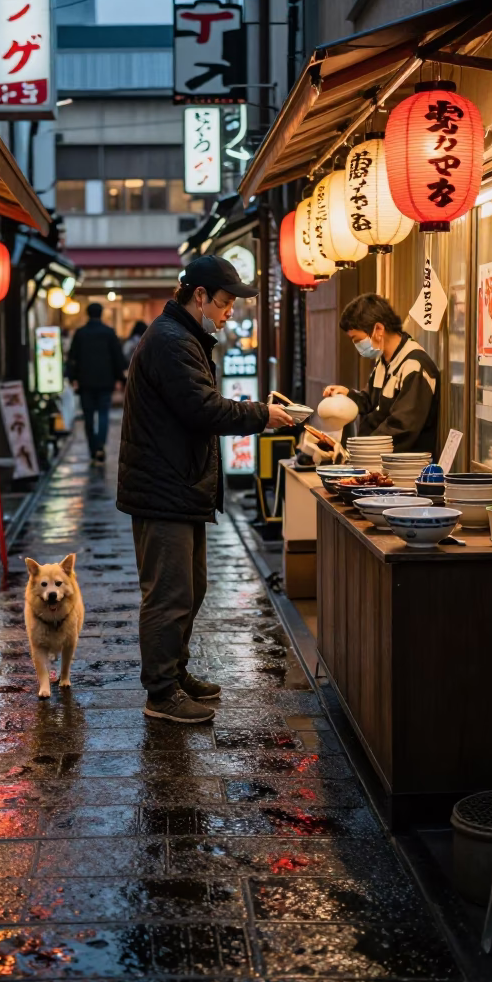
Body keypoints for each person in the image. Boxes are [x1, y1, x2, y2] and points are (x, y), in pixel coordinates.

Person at [117, 256, 294, 724]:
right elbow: (203, 409)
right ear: (199, 295)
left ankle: (175, 673)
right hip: (164, 488)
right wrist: (261, 415)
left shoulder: (183, 336)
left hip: (179, 485)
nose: (229, 311)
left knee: (190, 589)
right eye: (225, 301)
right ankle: (161, 693)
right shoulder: (172, 341)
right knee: (169, 594)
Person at [324, 292, 440, 454]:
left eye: (357, 340)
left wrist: (360, 449)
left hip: (403, 468)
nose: (357, 346)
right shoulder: (384, 361)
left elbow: (402, 427)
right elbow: (371, 403)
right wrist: (348, 395)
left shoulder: (414, 366)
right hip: (376, 461)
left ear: (378, 329)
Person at [66, 302, 126, 462]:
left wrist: (72, 378)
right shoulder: (109, 333)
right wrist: (120, 378)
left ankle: (93, 448)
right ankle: (100, 445)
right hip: (106, 381)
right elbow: (117, 357)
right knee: (103, 414)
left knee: (88, 416)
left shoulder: (80, 333)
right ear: (101, 314)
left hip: (85, 382)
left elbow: (72, 358)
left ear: (87, 313)